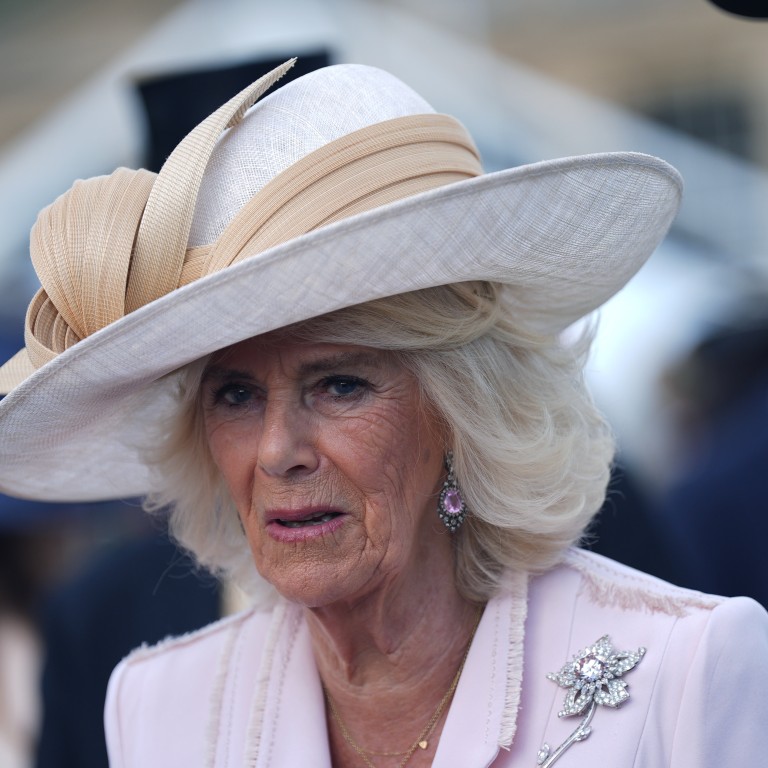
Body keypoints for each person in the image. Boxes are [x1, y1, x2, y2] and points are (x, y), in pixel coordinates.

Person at [0, 59, 766, 768]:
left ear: (462, 409)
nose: (277, 451)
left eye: (339, 386)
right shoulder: (157, 705)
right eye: (235, 394)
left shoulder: (688, 667)